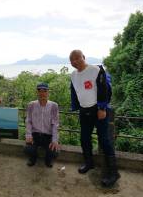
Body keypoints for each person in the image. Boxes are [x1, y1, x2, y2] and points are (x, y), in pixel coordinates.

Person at [69, 49, 120, 187]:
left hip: (98, 110)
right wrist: (75, 106)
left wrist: (102, 108)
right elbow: (74, 91)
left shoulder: (95, 70)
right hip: (84, 111)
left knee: (104, 140)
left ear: (83, 57)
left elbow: (104, 89)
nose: (74, 61)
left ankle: (113, 172)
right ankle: (89, 163)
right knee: (84, 138)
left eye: (77, 58)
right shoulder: (73, 75)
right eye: (71, 60)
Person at [25, 83, 60, 168]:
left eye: (44, 91)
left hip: (48, 135)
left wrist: (54, 139)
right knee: (28, 149)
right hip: (35, 134)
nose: (42, 93)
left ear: (48, 92)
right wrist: (29, 135)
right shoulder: (31, 105)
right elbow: (28, 121)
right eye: (39, 91)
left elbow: (55, 124)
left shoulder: (54, 106)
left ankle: (48, 159)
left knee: (54, 151)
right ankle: (33, 158)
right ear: (36, 92)